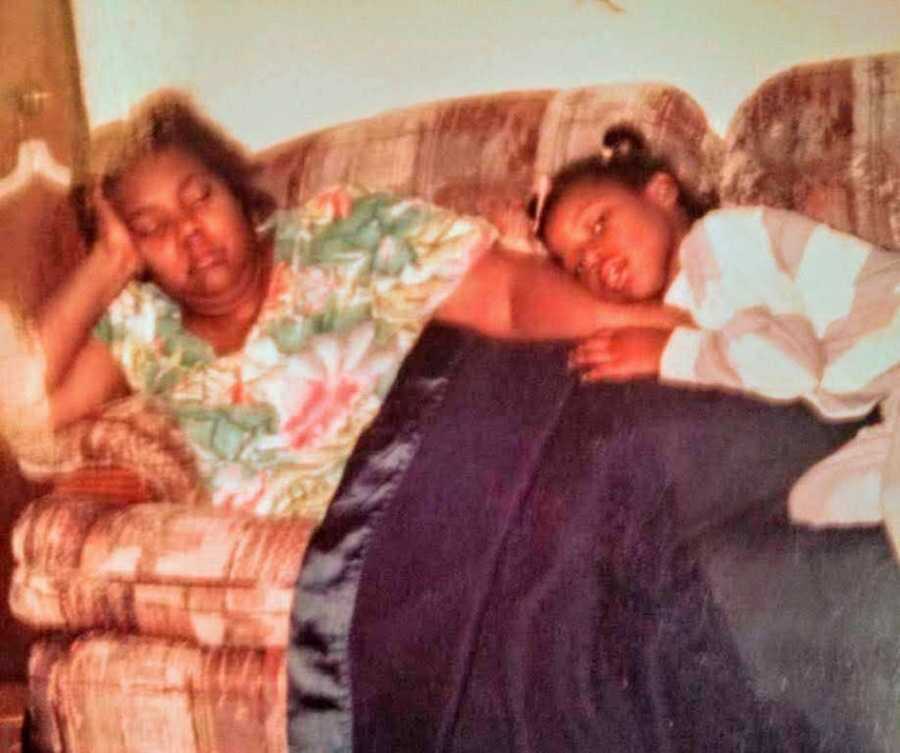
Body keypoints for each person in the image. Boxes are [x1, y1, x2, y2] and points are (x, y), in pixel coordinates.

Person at [0, 92, 686, 519]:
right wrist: (109, 260)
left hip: (433, 496)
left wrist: (682, 335)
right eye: (151, 228)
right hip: (325, 578)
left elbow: (508, 297)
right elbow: (20, 409)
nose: (188, 234)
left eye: (198, 198)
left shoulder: (339, 231)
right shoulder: (142, 332)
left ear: (236, 191)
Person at [537, 126, 900, 550]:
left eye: (599, 224)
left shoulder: (721, 240)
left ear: (661, 192)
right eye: (577, 266)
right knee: (813, 503)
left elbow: (787, 367)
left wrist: (664, 352)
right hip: (885, 395)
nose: (593, 259)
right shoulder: (692, 292)